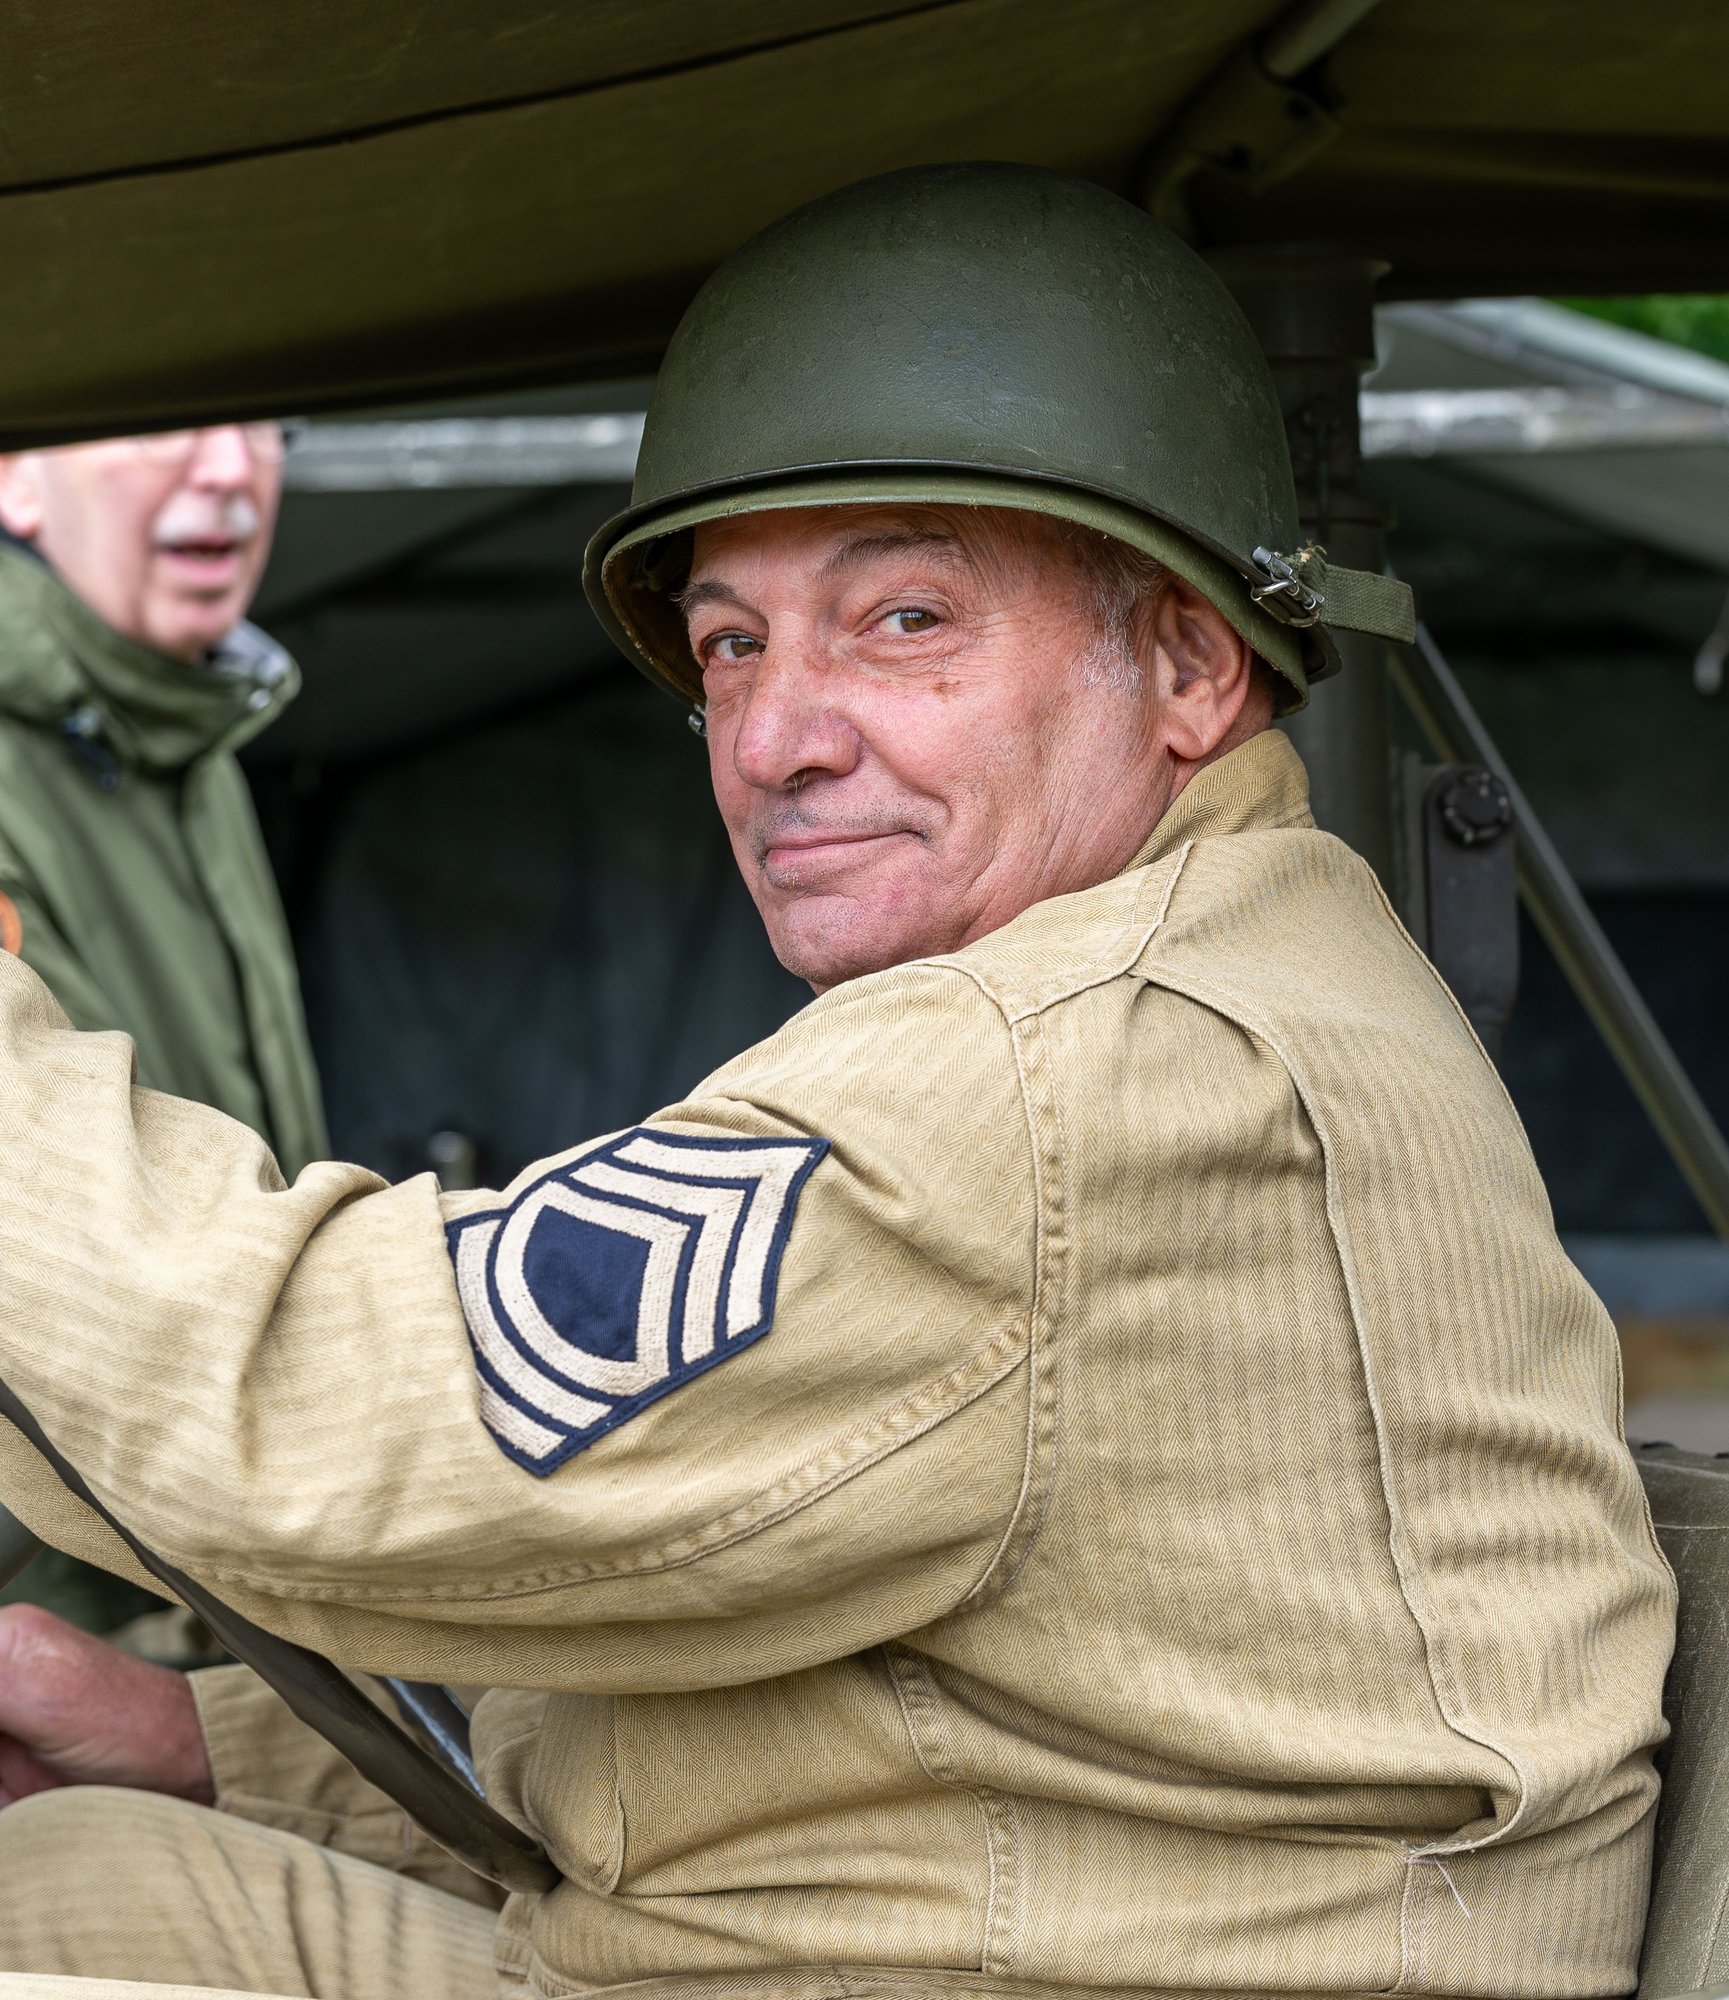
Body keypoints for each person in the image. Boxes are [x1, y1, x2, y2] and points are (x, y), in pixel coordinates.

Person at [0, 165, 1674, 2000]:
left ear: (1188, 663)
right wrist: (198, 1744)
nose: (775, 742)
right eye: (732, 646)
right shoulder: (1238, 964)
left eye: (904, 620)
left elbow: (324, 1419)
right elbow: (855, 1701)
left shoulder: (1051, 1077)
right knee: (65, 1879)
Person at [0, 422, 327, 1645]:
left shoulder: (192, 743)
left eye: (261, 424)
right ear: (13, 477)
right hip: (65, 1643)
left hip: (214, 1608)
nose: (231, 469)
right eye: (165, 419)